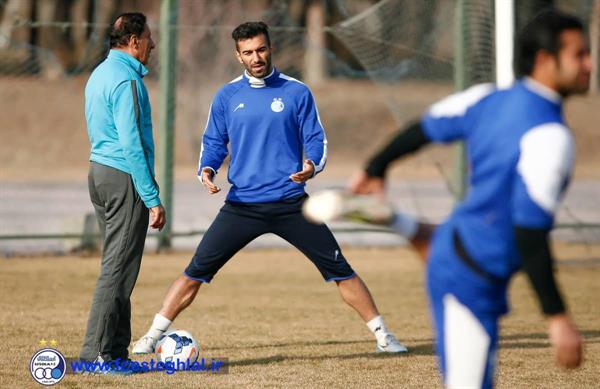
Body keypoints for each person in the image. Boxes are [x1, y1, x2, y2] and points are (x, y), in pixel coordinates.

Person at [346, 9, 587, 388]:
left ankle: (400, 223)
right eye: (579, 54)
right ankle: (401, 224)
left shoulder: (488, 97)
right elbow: (529, 234)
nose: (590, 63)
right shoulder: (550, 136)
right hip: (470, 279)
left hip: (457, 247)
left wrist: (375, 167)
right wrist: (557, 318)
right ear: (544, 60)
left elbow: (422, 129)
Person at [133, 21, 406, 355]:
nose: (256, 57)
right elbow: (214, 141)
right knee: (195, 272)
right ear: (238, 55)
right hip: (242, 206)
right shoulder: (227, 96)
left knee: (341, 271)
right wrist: (206, 169)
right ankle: (151, 336)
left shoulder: (297, 92)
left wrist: (310, 166)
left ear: (270, 48)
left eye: (261, 49)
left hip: (292, 204)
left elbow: (315, 139)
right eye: (248, 52)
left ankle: (384, 336)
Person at [80, 12, 166, 369]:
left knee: (120, 267)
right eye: (148, 37)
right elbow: (131, 144)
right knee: (117, 269)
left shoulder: (99, 74)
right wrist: (152, 197)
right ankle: (94, 355)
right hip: (123, 177)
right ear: (133, 42)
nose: (153, 44)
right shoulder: (127, 81)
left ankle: (115, 352)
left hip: (99, 173)